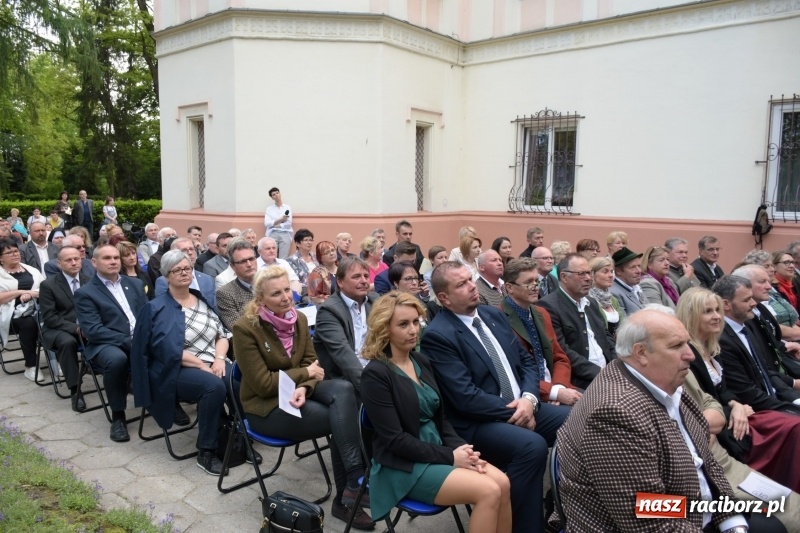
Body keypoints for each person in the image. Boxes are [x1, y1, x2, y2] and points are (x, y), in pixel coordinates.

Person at [554, 309, 765, 533]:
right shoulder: (614, 413)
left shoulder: (662, 381)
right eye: (676, 346)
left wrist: (732, 522)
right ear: (641, 353)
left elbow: (706, 463)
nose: (691, 355)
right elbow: (649, 518)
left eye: (688, 343)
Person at [421, 261, 570, 533]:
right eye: (462, 284)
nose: (471, 287)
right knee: (531, 447)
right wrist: (516, 411)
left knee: (578, 420)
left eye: (471, 279)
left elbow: (526, 363)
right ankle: (524, 527)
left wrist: (529, 400)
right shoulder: (438, 335)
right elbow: (465, 397)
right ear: (444, 298)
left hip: (524, 404)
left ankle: (562, 508)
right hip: (479, 421)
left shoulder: (494, 315)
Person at [234, 266, 373, 529]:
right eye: (276, 293)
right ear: (260, 299)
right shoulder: (245, 328)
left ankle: (353, 479)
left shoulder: (297, 318)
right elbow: (263, 385)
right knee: (343, 417)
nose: (286, 297)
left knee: (343, 390)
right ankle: (349, 494)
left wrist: (304, 386)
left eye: (287, 290)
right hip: (266, 408)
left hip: (297, 393)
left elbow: (315, 366)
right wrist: (304, 375)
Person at [361, 292, 512, 532]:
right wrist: (451, 457)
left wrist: (463, 450)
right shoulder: (376, 374)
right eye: (403, 324)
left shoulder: (421, 360)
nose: (413, 330)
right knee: (488, 490)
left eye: (415, 322)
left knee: (503, 482)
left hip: (439, 449)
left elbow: (440, 419)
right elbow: (394, 440)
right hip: (403, 465)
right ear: (384, 328)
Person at [677, 287, 800, 493]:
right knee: (791, 429)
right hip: (723, 429)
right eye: (708, 311)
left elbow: (724, 391)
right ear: (691, 315)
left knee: (792, 426)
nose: (717, 316)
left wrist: (736, 404)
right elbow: (699, 402)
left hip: (736, 415)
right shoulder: (688, 354)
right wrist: (734, 408)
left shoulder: (712, 347)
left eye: (718, 310)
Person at [131, 249, 239, 476]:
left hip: (213, 360)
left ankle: (236, 440)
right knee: (213, 387)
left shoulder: (201, 300)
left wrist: (219, 360)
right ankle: (206, 451)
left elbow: (221, 335)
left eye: (187, 268)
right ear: (166, 276)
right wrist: (202, 366)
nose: (184, 273)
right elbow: (164, 349)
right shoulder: (155, 308)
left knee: (236, 380)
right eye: (177, 270)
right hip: (175, 368)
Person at [74, 244, 148, 443]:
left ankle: (166, 402)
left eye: (116, 257)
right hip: (104, 343)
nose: (113, 261)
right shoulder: (86, 292)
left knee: (165, 348)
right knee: (117, 360)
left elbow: (146, 315)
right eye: (107, 258)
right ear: (94, 262)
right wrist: (129, 341)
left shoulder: (134, 284)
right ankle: (118, 416)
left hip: (137, 338)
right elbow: (93, 330)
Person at [712, 276, 800, 414]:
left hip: (774, 402)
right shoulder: (722, 341)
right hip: (755, 412)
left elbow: (766, 371)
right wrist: (791, 409)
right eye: (747, 300)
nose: (754, 303)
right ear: (726, 305)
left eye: (752, 298)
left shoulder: (745, 327)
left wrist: (795, 399)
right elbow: (747, 393)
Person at [500, 259, 581, 406]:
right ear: (510, 287)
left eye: (537, 281)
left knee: (601, 403)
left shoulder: (541, 313)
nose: (535, 287)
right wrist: (552, 392)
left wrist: (559, 388)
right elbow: (514, 371)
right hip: (527, 395)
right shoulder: (498, 319)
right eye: (529, 282)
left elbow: (560, 357)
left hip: (558, 385)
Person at [538, 254, 616, 388]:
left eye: (589, 273)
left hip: (608, 373)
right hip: (579, 381)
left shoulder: (591, 303)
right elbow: (562, 351)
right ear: (564, 277)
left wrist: (618, 365)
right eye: (581, 274)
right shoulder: (548, 306)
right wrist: (601, 373)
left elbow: (606, 337)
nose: (588, 278)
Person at [313, 257, 378, 391]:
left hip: (377, 371)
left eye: (366, 276)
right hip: (346, 380)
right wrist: (371, 388)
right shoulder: (329, 311)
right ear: (340, 282)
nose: (364, 281)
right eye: (356, 277)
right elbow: (344, 355)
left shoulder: (375, 301)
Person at [39, 245, 88, 411]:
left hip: (87, 327)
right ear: (59, 264)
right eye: (69, 260)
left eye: (77, 259)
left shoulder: (90, 280)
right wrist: (76, 328)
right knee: (68, 343)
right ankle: (75, 390)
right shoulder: (48, 285)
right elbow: (50, 317)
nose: (74, 263)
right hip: (58, 328)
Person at [0, 238, 44, 382]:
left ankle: (57, 360)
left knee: (52, 319)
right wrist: (20, 293)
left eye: (16, 251)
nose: (15, 254)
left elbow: (46, 287)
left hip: (37, 306)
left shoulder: (30, 269)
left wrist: (33, 293)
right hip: (9, 311)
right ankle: (30, 365)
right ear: (1, 258)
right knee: (28, 323)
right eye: (10, 252)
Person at [216, 238, 258, 331]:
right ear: (232, 266)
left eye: (251, 259)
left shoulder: (269, 284)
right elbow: (238, 328)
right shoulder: (225, 293)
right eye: (243, 261)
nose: (249, 264)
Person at [588, 256, 624, 337]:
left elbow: (623, 325)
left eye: (611, 271)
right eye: (605, 272)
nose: (611, 275)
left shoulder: (613, 300)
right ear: (592, 274)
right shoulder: (588, 299)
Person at [610, 246, 646, 315]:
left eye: (639, 266)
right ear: (618, 271)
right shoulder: (614, 293)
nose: (639, 271)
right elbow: (624, 323)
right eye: (633, 267)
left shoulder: (636, 288)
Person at [263, 187, 293, 259]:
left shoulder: (287, 207)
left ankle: (281, 270)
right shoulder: (269, 209)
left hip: (285, 233)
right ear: (272, 197)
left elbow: (288, 223)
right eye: (273, 194)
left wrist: (274, 225)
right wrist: (281, 219)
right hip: (272, 233)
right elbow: (267, 223)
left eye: (277, 193)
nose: (276, 195)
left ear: (280, 194)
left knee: (284, 258)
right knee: (271, 256)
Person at [307, 240, 338, 305]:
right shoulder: (316, 273)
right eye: (327, 253)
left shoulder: (343, 268)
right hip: (328, 307)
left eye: (333, 250)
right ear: (320, 258)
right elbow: (315, 297)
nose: (332, 253)